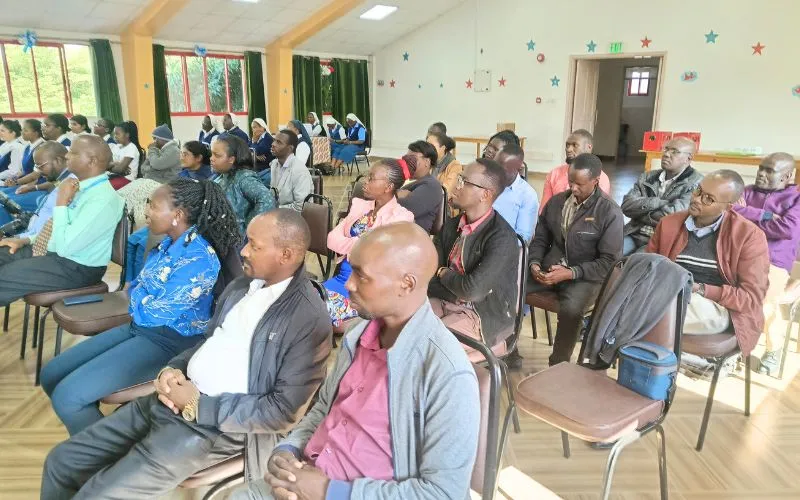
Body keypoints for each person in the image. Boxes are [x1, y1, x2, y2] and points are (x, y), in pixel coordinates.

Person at [41, 210, 333, 499]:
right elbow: (208, 342)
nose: (243, 251)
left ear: (286, 255)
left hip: (211, 429)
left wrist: (197, 405)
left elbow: (282, 412)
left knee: (96, 495)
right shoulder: (242, 285)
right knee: (61, 462)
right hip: (167, 400)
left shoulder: (307, 318)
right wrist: (173, 368)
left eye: (254, 246)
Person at [238, 222, 480, 500]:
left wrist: (329, 492)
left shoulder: (447, 373)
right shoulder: (358, 335)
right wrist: (288, 450)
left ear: (406, 284)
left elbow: (443, 493)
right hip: (308, 475)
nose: (349, 284)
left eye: (362, 276)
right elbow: (324, 410)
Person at [40, 178, 241, 435]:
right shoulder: (169, 244)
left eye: (154, 206)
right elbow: (136, 290)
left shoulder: (199, 258)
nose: (146, 211)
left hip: (171, 343)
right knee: (51, 374)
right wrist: (141, 297)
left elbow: (153, 312)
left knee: (68, 397)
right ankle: (102, 436)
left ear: (178, 215)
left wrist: (140, 297)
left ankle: (103, 452)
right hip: (141, 328)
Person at [647, 170, 769, 362]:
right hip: (668, 293)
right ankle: (667, 361)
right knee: (629, 297)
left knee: (654, 314)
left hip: (717, 306)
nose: (696, 199)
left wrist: (701, 289)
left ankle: (661, 360)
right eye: (698, 191)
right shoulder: (669, 223)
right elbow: (649, 267)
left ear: (728, 207)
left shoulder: (749, 236)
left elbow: (751, 298)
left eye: (708, 199)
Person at [0, 135, 125, 305]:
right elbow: (60, 231)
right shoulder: (80, 187)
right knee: (3, 253)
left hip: (77, 267)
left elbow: (65, 247)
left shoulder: (102, 199)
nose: (67, 155)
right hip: (55, 253)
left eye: (73, 152)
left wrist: (61, 203)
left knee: (5, 276)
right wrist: (27, 240)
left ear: (92, 161)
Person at [528, 153, 624, 366]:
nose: (573, 188)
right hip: (550, 269)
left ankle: (558, 364)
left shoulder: (609, 212)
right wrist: (534, 263)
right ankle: (507, 347)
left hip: (586, 276)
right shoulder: (556, 203)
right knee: (512, 285)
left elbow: (609, 262)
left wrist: (571, 273)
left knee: (571, 311)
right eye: (570, 181)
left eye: (579, 184)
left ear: (595, 181)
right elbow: (540, 238)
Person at [428, 159, 519, 359]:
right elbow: (429, 273)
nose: (456, 186)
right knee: (405, 329)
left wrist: (443, 273)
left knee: (429, 344)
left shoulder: (502, 237)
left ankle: (491, 350)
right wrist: (452, 288)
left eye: (464, 181)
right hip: (445, 299)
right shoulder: (451, 226)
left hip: (482, 314)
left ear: (485, 194)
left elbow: (472, 291)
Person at [324, 159, 414, 327]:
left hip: (364, 290)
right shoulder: (360, 206)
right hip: (341, 278)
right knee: (305, 301)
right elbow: (331, 239)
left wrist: (352, 245)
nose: (365, 181)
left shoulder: (401, 217)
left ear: (388, 187)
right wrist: (360, 245)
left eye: (371, 178)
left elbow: (377, 255)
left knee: (315, 314)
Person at [731, 154, 800, 374]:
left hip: (774, 260)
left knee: (762, 299)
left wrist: (746, 219)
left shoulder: (796, 198)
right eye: (761, 168)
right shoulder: (746, 191)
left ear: (787, 176)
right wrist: (766, 215)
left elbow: (787, 229)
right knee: (721, 290)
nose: (761, 173)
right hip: (738, 255)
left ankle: (773, 349)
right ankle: (731, 346)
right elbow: (729, 212)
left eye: (769, 170)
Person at [622, 137, 704, 255]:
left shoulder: (696, 183)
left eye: (674, 151)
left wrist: (640, 212)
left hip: (663, 241)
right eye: (666, 149)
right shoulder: (647, 176)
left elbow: (672, 217)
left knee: (635, 261)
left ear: (689, 158)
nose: (666, 154)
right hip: (634, 232)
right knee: (610, 254)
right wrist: (658, 202)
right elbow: (626, 206)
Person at [0, 142, 70, 256]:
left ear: (58, 160)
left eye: (40, 166)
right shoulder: (61, 181)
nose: (39, 171)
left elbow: (49, 231)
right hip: (29, 234)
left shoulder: (68, 186)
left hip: (37, 244)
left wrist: (23, 239)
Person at [212, 134, 276, 236]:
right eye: (211, 154)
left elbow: (267, 199)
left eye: (217, 155)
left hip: (237, 239)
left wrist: (248, 228)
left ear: (231, 159)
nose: (211, 158)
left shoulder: (244, 178)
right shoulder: (221, 176)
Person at [540, 129, 612, 212]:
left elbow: (597, 212)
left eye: (575, 145)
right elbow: (544, 209)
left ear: (589, 147)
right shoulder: (554, 174)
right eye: (567, 145)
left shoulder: (600, 178)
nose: (569, 149)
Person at [493, 144, 539, 243]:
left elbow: (523, 238)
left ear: (518, 169)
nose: (496, 171)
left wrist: (494, 244)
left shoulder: (527, 195)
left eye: (502, 169)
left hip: (507, 247)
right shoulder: (488, 184)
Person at [397, 142, 443, 233]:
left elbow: (405, 208)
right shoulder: (410, 182)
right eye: (406, 158)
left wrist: (394, 195)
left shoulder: (432, 185)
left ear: (427, 162)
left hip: (411, 238)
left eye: (412, 159)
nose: (407, 162)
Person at [270, 129, 313, 211]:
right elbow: (274, 194)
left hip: (295, 217)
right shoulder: (275, 164)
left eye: (279, 142)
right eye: (274, 140)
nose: (273, 144)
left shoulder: (299, 170)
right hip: (278, 213)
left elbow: (301, 206)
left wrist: (275, 209)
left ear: (290, 148)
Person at [426, 131, 462, 197]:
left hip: (443, 201)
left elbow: (446, 190)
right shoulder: (427, 161)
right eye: (426, 146)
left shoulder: (455, 165)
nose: (427, 149)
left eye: (432, 146)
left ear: (443, 148)